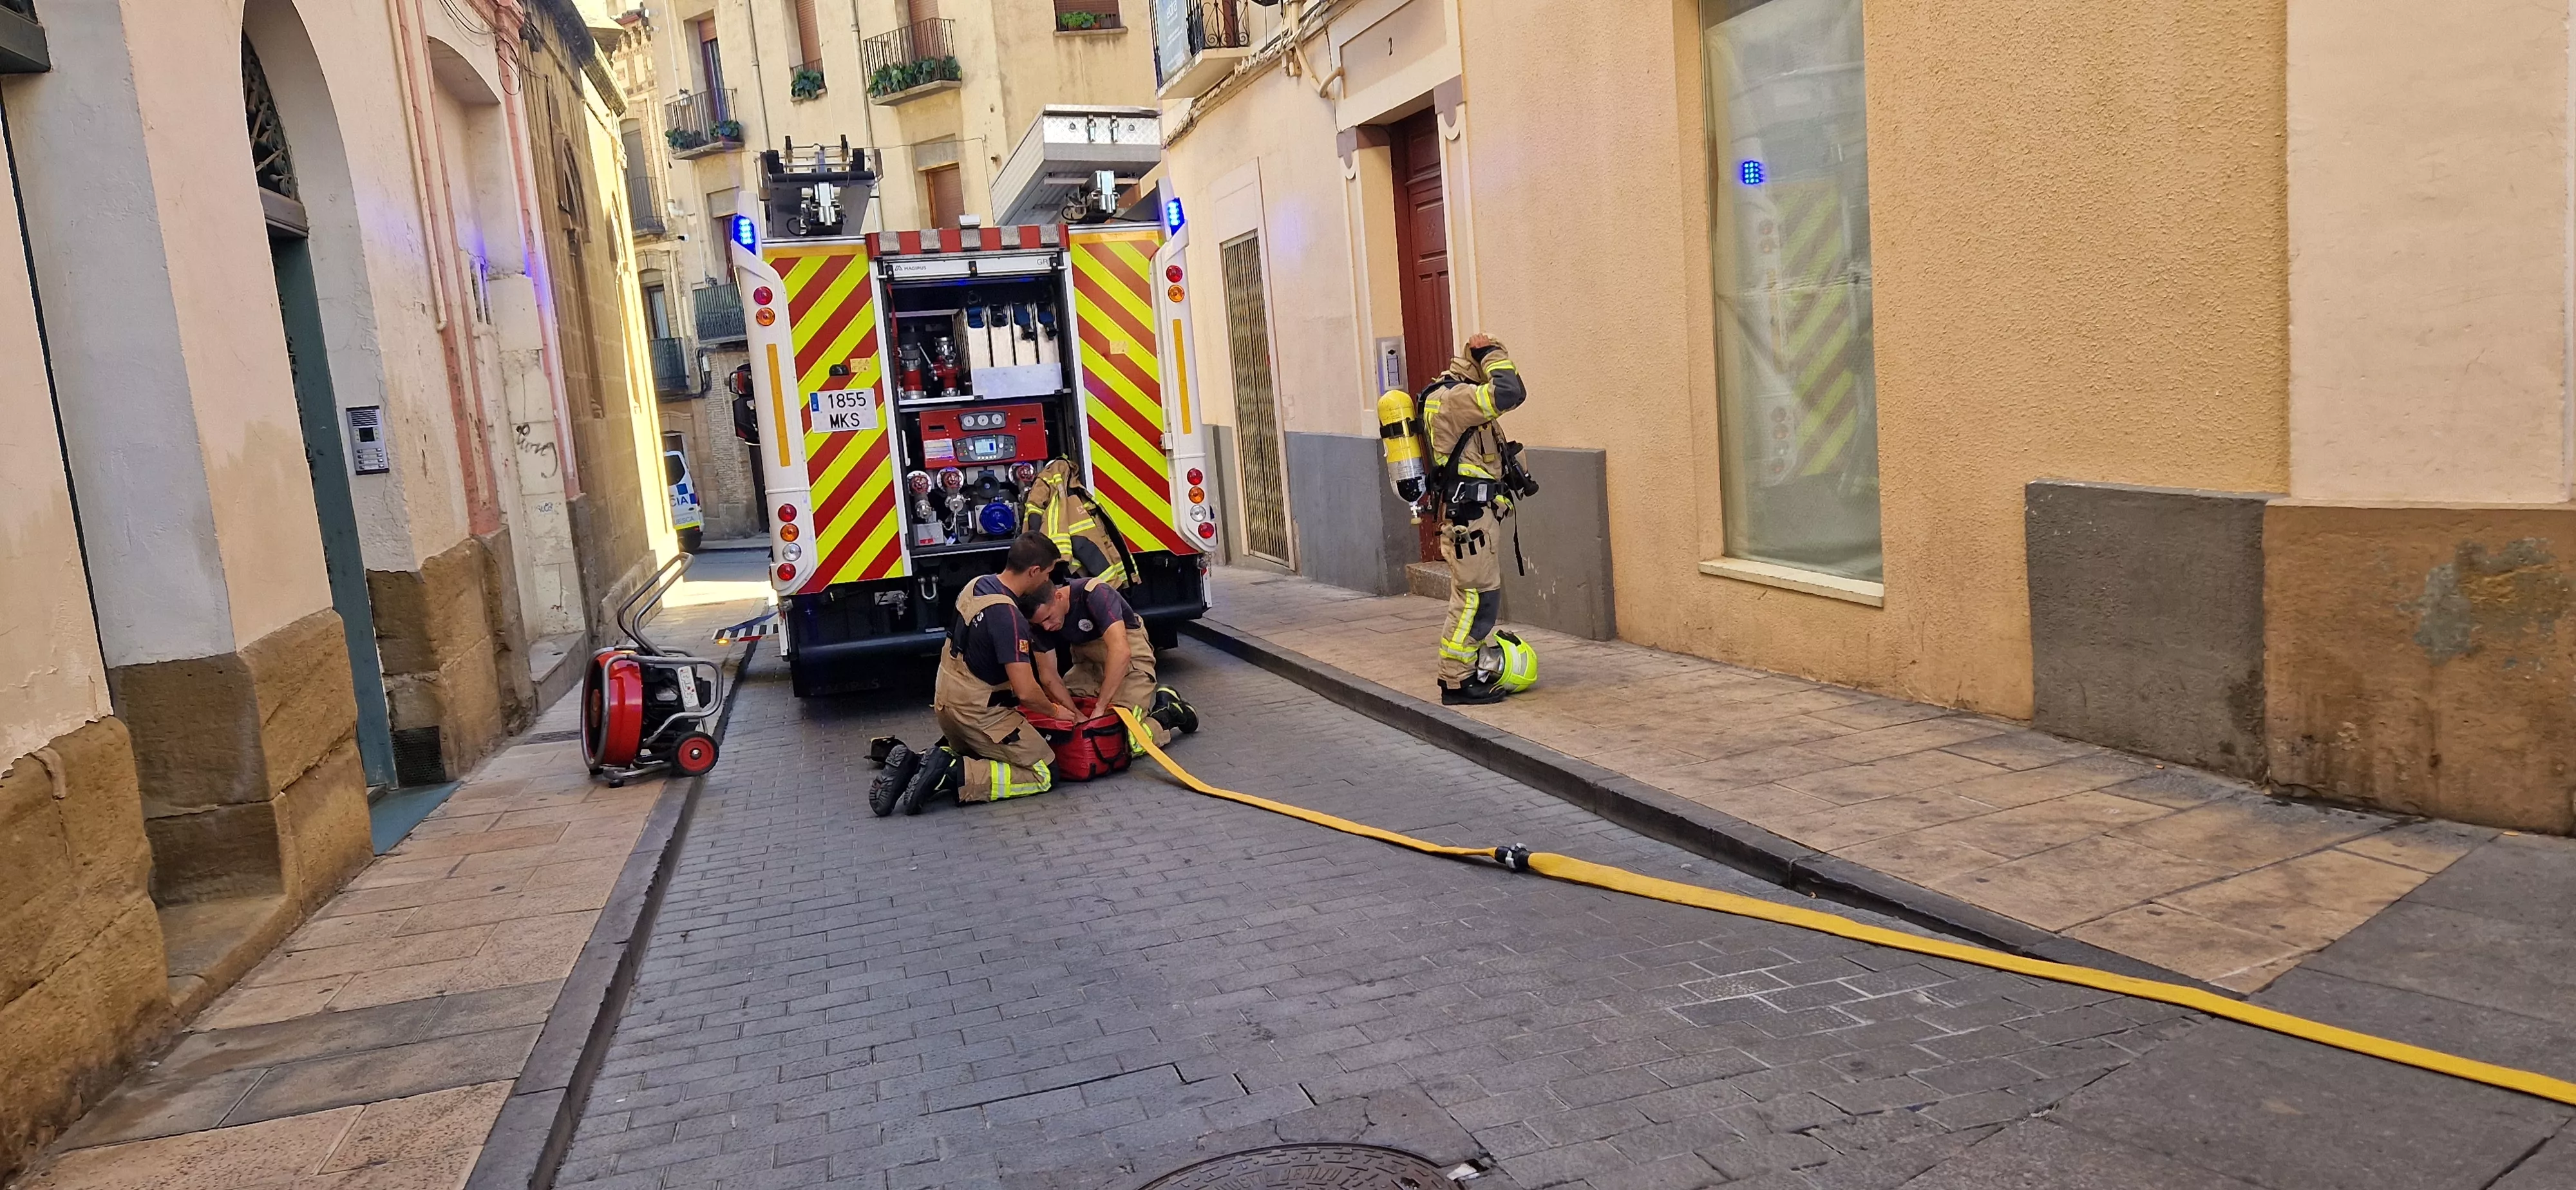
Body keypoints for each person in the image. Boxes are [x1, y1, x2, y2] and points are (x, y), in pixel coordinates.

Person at [893, 535, 1083, 813]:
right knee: (1044, 771)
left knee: (987, 755)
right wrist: (1056, 712)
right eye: (1047, 573)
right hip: (980, 716)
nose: (1047, 581)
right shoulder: (1008, 616)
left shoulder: (977, 585)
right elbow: (1026, 692)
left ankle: (915, 765)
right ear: (1033, 571)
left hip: (948, 708)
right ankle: (956, 773)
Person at [1421, 332, 1528, 704]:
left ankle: (1462, 672)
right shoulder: (1455, 398)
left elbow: (1512, 390)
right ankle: (1457, 680)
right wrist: (1491, 352)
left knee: (1478, 597)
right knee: (1473, 601)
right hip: (1469, 520)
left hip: (1477, 518)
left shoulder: (1460, 399)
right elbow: (1511, 392)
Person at [1026, 571, 1197, 748]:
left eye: (1048, 618)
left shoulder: (1095, 594)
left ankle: (1169, 713)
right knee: (1062, 725)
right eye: (1040, 624)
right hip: (1088, 668)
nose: (1046, 627)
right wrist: (1075, 714)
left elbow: (1121, 652)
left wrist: (1100, 708)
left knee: (1121, 740)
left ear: (1059, 597)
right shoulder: (1039, 622)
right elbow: (1048, 677)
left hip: (1129, 665)